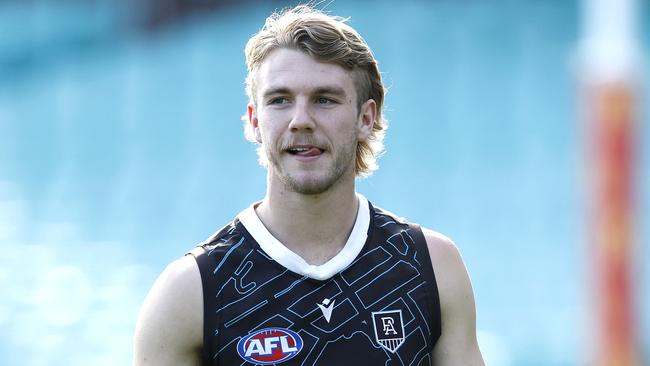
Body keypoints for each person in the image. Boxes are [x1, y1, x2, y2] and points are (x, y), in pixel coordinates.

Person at [133, 4, 484, 366]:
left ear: (366, 118)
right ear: (254, 121)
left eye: (324, 100)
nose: (301, 120)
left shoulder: (432, 267)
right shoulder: (191, 293)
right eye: (280, 100)